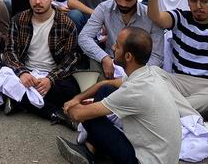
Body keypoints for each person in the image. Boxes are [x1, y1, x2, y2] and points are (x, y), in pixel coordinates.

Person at [58, 27, 182, 164]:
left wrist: (70, 106)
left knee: (90, 118)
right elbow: (104, 84)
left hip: (142, 161)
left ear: (128, 56)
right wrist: (78, 98)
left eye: (117, 45)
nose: (113, 47)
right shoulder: (151, 72)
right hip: (163, 156)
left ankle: (90, 151)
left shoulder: (135, 90)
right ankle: (92, 148)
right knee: (105, 90)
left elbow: (78, 115)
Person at [0, 0, 79, 126]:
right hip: (25, 74)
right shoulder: (19, 20)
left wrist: (50, 79)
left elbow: (71, 59)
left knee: (71, 90)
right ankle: (52, 112)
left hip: (51, 76)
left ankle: (16, 100)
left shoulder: (66, 24)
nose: (37, 2)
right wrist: (22, 72)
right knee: (2, 75)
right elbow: (10, 51)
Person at [78, 0, 164, 76]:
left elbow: (157, 56)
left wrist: (134, 74)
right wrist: (104, 58)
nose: (123, 3)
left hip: (140, 72)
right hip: (110, 64)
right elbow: (84, 37)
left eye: (129, 0)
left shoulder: (151, 16)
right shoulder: (104, 8)